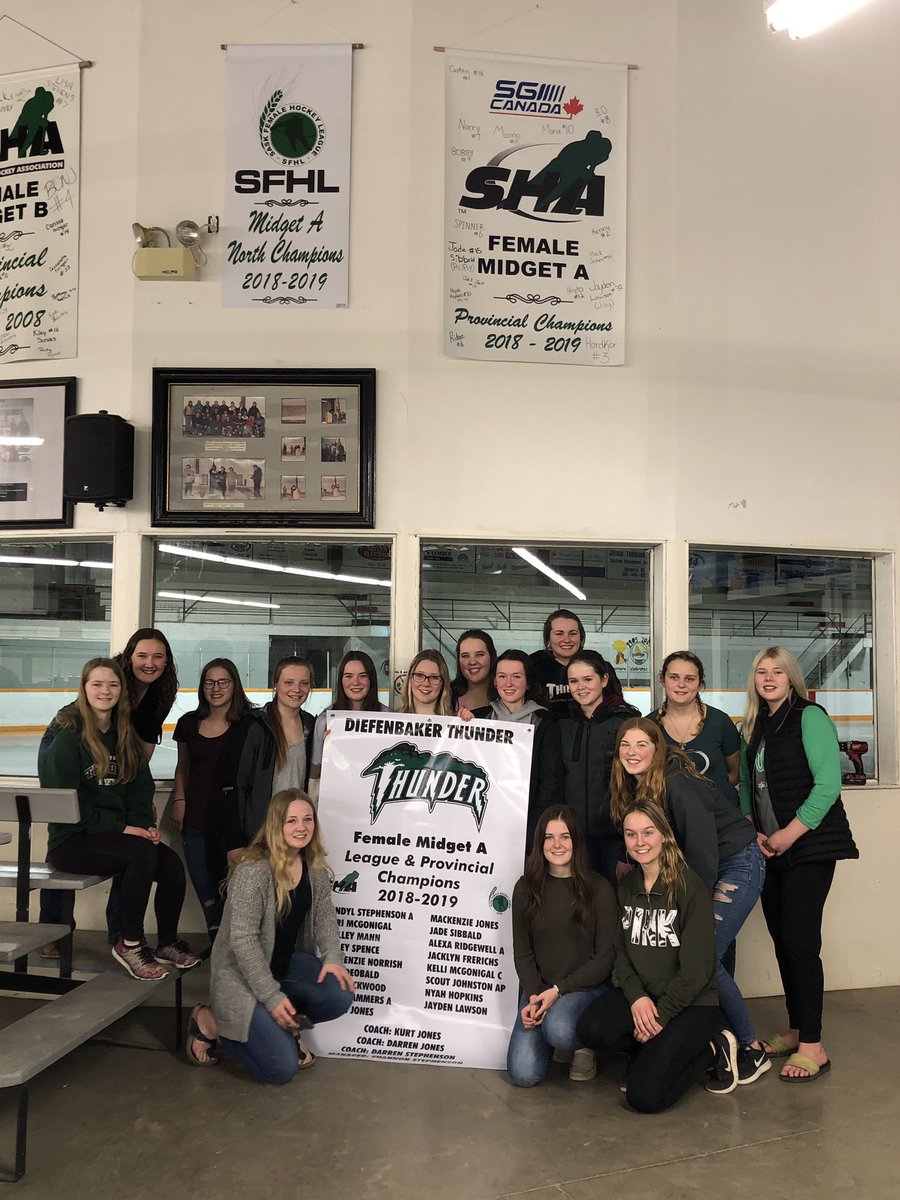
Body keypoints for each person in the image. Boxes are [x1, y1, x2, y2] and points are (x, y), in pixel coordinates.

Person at [610, 717, 768, 1087]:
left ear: (657, 748)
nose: (633, 753)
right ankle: (719, 1036)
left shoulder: (676, 781)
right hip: (707, 865)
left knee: (706, 956)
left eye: (642, 745)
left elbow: (700, 849)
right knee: (711, 954)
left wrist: (688, 904)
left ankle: (751, 1047)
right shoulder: (637, 783)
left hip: (734, 863)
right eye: (625, 746)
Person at [739, 646, 858, 1082]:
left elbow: (828, 786)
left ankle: (814, 1044)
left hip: (809, 849)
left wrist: (787, 834)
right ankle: (796, 1028)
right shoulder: (754, 725)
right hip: (768, 849)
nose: (768, 678)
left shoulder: (811, 717)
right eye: (761, 672)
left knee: (800, 941)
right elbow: (746, 787)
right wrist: (752, 826)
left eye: (777, 672)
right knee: (782, 939)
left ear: (791, 678)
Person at [38, 658, 199, 980]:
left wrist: (146, 827)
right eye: (97, 684)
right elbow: (69, 807)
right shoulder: (69, 738)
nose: (105, 691)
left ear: (121, 690)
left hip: (114, 837)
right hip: (72, 840)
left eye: (112, 684)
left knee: (169, 863)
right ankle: (130, 943)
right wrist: (126, 829)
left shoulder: (124, 735)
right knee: (139, 854)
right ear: (84, 689)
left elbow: (141, 790)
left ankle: (166, 941)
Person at [576, 802, 739, 1111]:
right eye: (631, 834)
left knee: (643, 1098)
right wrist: (637, 998)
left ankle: (712, 1051)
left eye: (648, 832)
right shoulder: (626, 887)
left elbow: (696, 972)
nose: (640, 842)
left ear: (664, 834)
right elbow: (620, 952)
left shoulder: (690, 888)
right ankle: (649, 1052)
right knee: (590, 1029)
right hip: (646, 998)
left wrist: (660, 1017)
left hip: (690, 1005)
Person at [189, 790, 354, 1082]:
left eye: (307, 819)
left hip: (283, 966)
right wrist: (272, 997)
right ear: (276, 825)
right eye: (291, 821)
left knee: (338, 994)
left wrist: (333, 957)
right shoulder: (253, 870)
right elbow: (243, 941)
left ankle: (281, 1024)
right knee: (281, 1070)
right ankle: (212, 1022)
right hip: (242, 978)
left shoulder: (313, 867)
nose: (301, 827)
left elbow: (325, 917)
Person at [508, 806, 617, 1086]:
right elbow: (523, 953)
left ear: (576, 842)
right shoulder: (525, 889)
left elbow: (605, 958)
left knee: (559, 1029)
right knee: (522, 1074)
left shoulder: (599, 888)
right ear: (539, 843)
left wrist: (558, 992)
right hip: (541, 989)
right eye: (549, 837)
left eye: (565, 837)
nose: (557, 845)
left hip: (585, 988)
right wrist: (534, 996)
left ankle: (583, 1043)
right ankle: (552, 1023)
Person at [170, 659, 255, 942]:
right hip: (196, 820)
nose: (215, 688)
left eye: (223, 682)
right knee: (207, 892)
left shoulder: (249, 723)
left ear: (234, 685)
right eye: (209, 682)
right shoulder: (188, 723)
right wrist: (180, 800)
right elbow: (183, 766)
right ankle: (217, 949)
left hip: (234, 825)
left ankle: (236, 951)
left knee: (235, 892)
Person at [458, 649, 563, 849]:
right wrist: (461, 729)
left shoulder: (546, 723)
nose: (508, 683)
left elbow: (550, 786)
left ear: (528, 682)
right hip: (481, 826)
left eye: (516, 676)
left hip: (528, 831)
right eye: (502, 676)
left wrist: (533, 835)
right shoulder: (477, 718)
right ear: (495, 681)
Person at [558, 650, 640, 885]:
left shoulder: (626, 722)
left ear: (603, 680)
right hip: (573, 839)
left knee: (614, 907)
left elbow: (636, 787)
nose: (580, 687)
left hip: (615, 841)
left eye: (588, 679)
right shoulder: (562, 723)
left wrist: (628, 848)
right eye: (574, 681)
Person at [224, 657, 315, 859]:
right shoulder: (255, 726)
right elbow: (235, 785)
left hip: (297, 835)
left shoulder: (312, 725)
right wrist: (235, 842)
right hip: (260, 837)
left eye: (304, 683)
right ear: (275, 684)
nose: (296, 689)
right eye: (288, 682)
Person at [648, 651, 741, 807]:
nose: (681, 685)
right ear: (662, 680)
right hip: (670, 819)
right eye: (674, 677)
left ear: (700, 684)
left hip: (721, 819)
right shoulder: (649, 726)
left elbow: (734, 775)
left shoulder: (720, 722)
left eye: (689, 679)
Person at [308, 651, 387, 794]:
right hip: (339, 803)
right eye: (348, 676)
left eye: (363, 676)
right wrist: (327, 751)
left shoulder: (390, 719)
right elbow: (315, 777)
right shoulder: (325, 722)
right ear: (341, 680)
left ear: (372, 680)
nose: (355, 682)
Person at [530, 609, 586, 714]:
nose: (567, 640)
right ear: (548, 639)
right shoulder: (532, 666)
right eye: (559, 634)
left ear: (581, 637)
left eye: (573, 633)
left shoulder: (596, 665)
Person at [450, 629, 497, 714]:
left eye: (479, 655)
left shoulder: (505, 695)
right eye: (465, 656)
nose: (472, 662)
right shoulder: (447, 696)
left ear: (491, 657)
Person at [397, 651, 454, 716]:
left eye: (434, 677)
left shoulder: (456, 722)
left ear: (443, 684)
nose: (426, 684)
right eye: (419, 675)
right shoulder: (391, 720)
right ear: (410, 679)